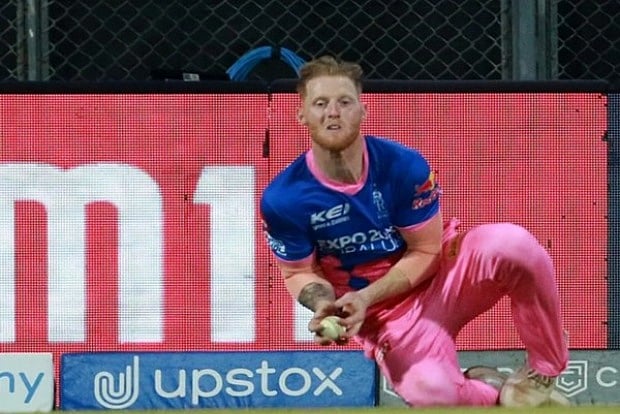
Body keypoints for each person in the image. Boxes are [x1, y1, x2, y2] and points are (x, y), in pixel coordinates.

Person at [260, 55, 570, 407]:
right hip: (387, 317)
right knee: (431, 392)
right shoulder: (284, 199)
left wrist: (365, 297)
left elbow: (426, 251)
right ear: (301, 114)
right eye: (320, 103)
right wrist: (323, 303)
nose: (333, 112)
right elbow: (298, 272)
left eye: (344, 102)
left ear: (362, 110)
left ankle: (542, 371)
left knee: (512, 245)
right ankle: (498, 397)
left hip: (445, 274)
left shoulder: (402, 165)